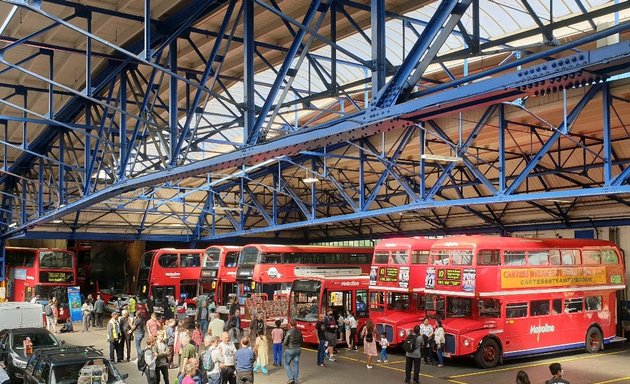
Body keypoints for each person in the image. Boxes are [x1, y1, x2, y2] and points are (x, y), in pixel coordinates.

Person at [283, 319, 303, 384]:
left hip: (290, 349)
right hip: (298, 350)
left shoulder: (289, 332)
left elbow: (285, 342)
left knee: (286, 364)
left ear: (290, 324)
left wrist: (286, 345)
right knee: (296, 365)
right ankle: (296, 380)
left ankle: (290, 378)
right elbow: (301, 341)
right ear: (296, 324)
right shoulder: (299, 332)